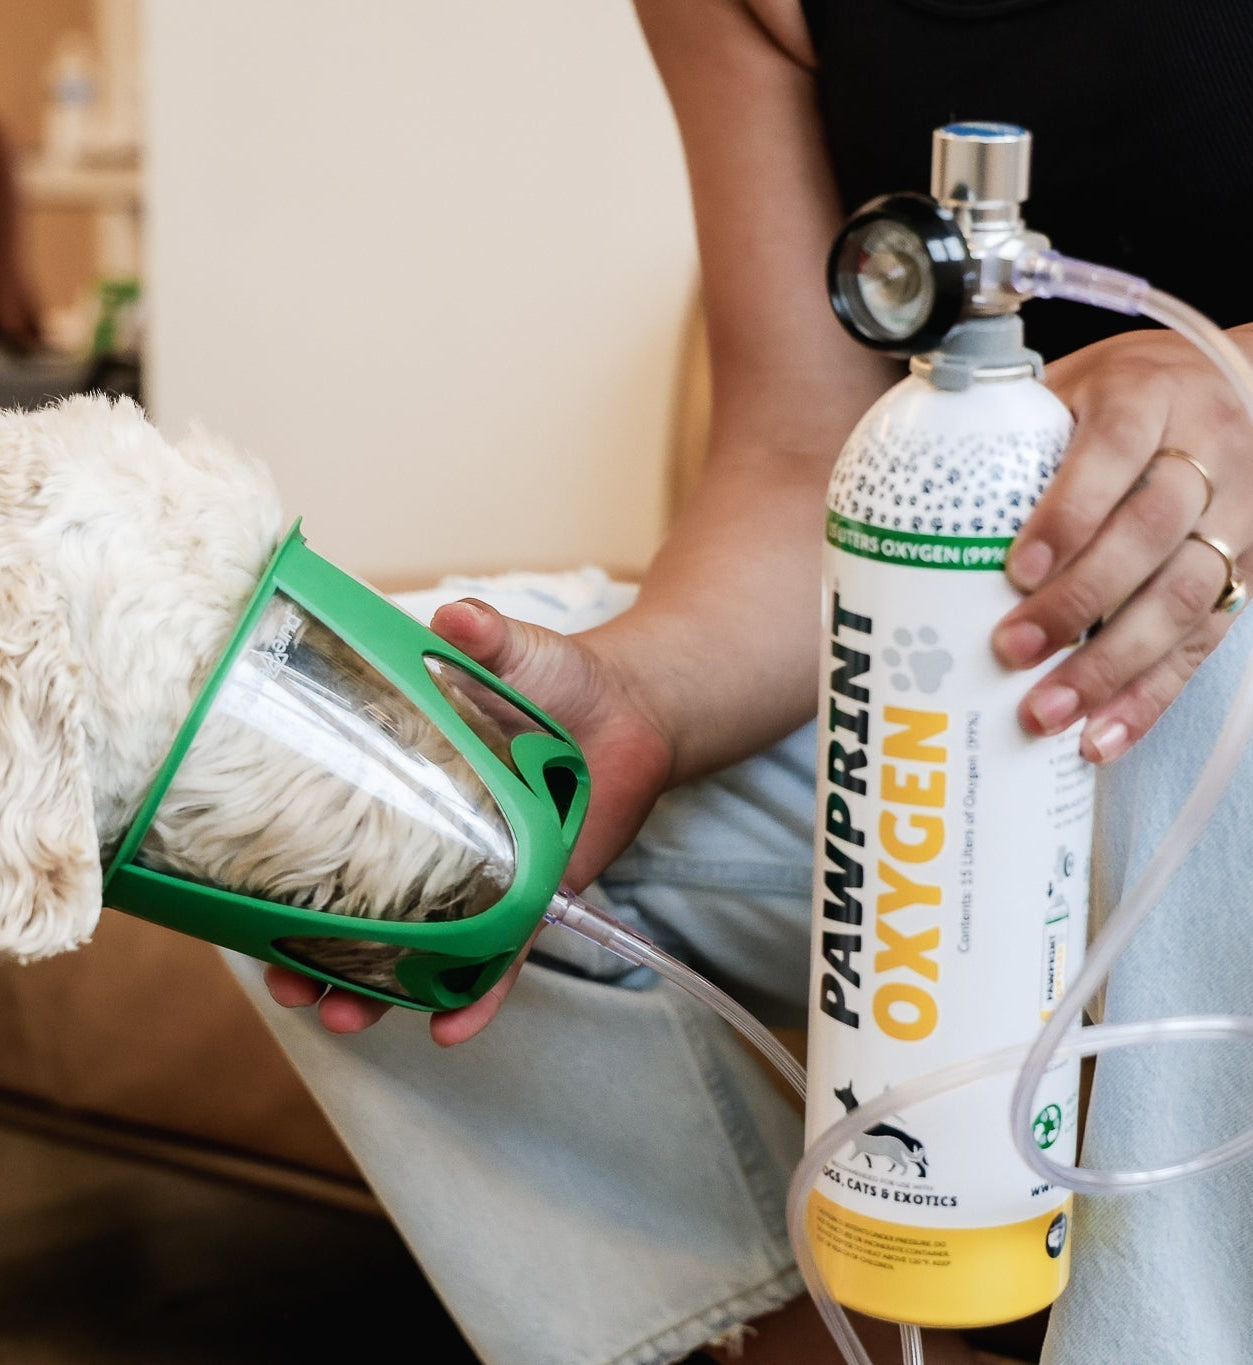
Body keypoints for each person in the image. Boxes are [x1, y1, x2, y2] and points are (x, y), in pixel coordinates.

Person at [241, 3, 1253, 1362]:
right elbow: (796, 457)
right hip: (982, 726)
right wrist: (635, 696)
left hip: (1197, 736)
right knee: (341, 756)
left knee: (1209, 658)